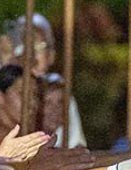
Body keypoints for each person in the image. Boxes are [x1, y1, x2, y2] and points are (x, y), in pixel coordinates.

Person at [10, 13, 86, 147]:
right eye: (24, 45)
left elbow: (76, 145)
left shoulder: (59, 90)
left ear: (51, 55)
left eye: (39, 46)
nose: (31, 55)